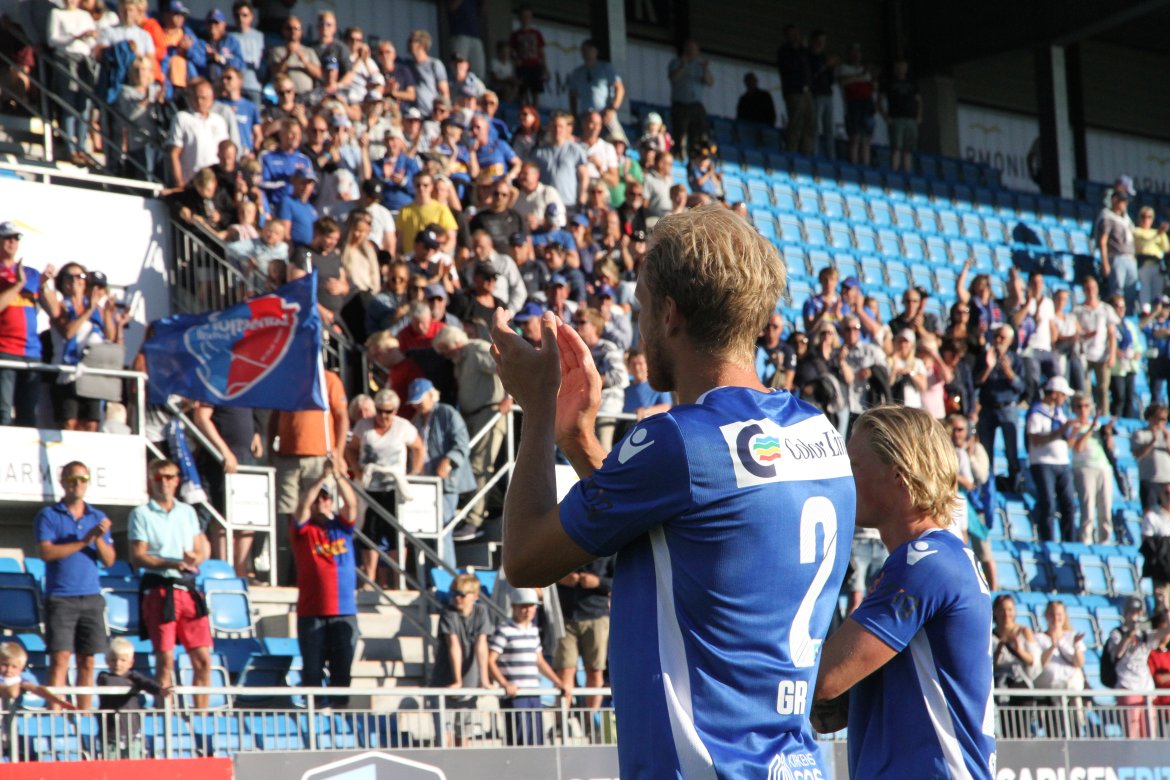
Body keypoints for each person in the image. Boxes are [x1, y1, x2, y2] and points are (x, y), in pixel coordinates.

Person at [493, 204, 854, 776]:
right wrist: (579, 438)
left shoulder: (679, 441)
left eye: (641, 308)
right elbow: (683, 526)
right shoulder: (819, 433)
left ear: (669, 314)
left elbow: (524, 558)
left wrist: (536, 409)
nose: (639, 328)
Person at [812, 406, 995, 779]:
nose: (843, 478)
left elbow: (823, 681)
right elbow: (831, 710)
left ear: (898, 474)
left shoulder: (922, 563)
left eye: (854, 466)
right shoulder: (939, 557)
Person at [129, 458, 214, 710]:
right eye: (159, 477)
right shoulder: (141, 514)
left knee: (203, 660)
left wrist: (193, 558)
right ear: (151, 481)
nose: (164, 482)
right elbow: (138, 556)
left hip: (187, 588)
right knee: (165, 660)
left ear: (177, 480)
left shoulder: (187, 512)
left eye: (169, 477)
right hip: (160, 589)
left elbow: (199, 550)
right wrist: (171, 562)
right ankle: (163, 717)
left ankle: (201, 719)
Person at [34, 460, 114, 712]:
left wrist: (97, 539)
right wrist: (83, 541)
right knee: (60, 659)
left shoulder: (97, 517)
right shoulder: (49, 515)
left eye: (83, 479)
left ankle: (84, 717)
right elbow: (46, 552)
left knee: (87, 661)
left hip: (91, 596)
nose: (78, 484)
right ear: (63, 482)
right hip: (61, 597)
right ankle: (54, 718)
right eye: (72, 479)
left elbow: (109, 560)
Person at [291, 463, 358, 707]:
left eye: (326, 498)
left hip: (344, 610)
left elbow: (352, 504)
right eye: (318, 498)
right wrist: (321, 478)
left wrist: (338, 476)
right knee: (312, 669)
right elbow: (301, 507)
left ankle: (339, 715)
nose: (322, 501)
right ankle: (315, 714)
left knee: (343, 670)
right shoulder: (304, 530)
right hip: (313, 612)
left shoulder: (342, 527)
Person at [344, 388, 424, 586]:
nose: (383, 416)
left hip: (393, 488)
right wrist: (357, 470)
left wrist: (413, 473)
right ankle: (369, 580)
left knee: (395, 533)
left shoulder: (403, 427)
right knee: (369, 530)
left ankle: (398, 581)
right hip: (369, 487)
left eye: (388, 411)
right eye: (379, 410)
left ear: (395, 411)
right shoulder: (364, 426)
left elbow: (418, 448)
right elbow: (351, 449)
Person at [487, 587, 564, 746]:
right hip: (515, 695)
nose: (527, 610)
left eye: (531, 606)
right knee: (519, 742)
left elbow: (539, 661)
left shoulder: (534, 631)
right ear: (513, 607)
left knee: (537, 741)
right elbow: (490, 660)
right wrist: (505, 684)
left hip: (533, 693)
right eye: (523, 606)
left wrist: (558, 681)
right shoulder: (504, 630)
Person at [429, 572, 492, 747]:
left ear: (475, 596)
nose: (457, 598)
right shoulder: (448, 613)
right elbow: (454, 646)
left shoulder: (481, 612)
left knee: (464, 740)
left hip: (469, 687)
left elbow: (481, 645)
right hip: (444, 684)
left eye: (462, 594)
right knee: (446, 741)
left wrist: (484, 680)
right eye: (454, 593)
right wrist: (457, 681)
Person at [1105, 595, 1170, 738]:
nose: (1135, 615)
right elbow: (1118, 654)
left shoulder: (1145, 634)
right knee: (1132, 733)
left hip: (1146, 687)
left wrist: (1166, 608)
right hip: (1128, 685)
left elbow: (1167, 631)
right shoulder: (1117, 633)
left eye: (1138, 611)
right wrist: (1129, 635)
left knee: (1150, 732)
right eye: (1131, 611)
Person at [97, 636, 170, 758]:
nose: (118, 664)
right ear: (107, 661)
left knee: (134, 764)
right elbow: (109, 683)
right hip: (110, 734)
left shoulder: (134, 677)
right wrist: (132, 684)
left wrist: (159, 689)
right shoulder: (103, 676)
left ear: (131, 662)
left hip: (133, 733)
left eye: (123, 660)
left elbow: (147, 683)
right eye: (113, 660)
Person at [1026, 376, 1078, 542]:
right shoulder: (1037, 412)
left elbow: (1068, 442)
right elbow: (1035, 439)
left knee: (1069, 504)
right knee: (1048, 503)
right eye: (1063, 395)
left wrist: (1074, 431)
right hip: (1043, 463)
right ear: (1054, 393)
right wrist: (1060, 431)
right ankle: (1047, 540)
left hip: (1062, 463)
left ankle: (1069, 541)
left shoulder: (1060, 413)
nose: (1065, 399)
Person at [1068, 394, 1115, 544]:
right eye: (1079, 406)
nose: (1083, 410)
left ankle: (1105, 541)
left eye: (1086, 406)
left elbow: (1110, 448)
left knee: (1105, 507)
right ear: (1074, 409)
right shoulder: (1073, 427)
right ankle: (1086, 540)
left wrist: (1108, 433)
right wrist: (1089, 429)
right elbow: (1078, 448)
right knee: (1087, 508)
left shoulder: (1099, 426)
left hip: (1103, 467)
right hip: (1084, 467)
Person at [1034, 599, 1086, 736]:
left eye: (1059, 614)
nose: (1055, 618)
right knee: (1053, 733)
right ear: (1046, 616)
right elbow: (1040, 663)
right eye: (1052, 614)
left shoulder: (1072, 636)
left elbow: (1079, 663)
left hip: (1070, 694)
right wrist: (1052, 646)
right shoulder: (1038, 638)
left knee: (1074, 732)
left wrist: (1075, 646)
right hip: (1049, 694)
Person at [167, 78, 230, 189]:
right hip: (191, 182)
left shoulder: (219, 121)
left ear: (211, 99)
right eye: (196, 98)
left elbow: (225, 151)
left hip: (215, 182)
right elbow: (174, 153)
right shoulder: (182, 118)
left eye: (203, 98)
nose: (199, 102)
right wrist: (179, 183)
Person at [567, 39, 625, 141]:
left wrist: (613, 109)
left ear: (596, 51)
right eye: (584, 50)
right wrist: (574, 114)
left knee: (617, 138)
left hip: (604, 112)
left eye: (589, 49)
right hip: (585, 114)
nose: (586, 52)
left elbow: (620, 88)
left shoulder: (606, 68)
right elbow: (572, 94)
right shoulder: (577, 72)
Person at [666, 39, 713, 160]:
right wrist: (683, 65)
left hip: (696, 104)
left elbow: (710, 82)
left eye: (694, 49)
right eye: (689, 48)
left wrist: (705, 69)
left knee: (698, 132)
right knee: (680, 131)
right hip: (681, 104)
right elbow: (673, 77)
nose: (692, 51)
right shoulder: (676, 62)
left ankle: (695, 157)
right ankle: (679, 156)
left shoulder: (699, 66)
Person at [1095, 189, 1137, 311]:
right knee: (1117, 291)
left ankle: (1128, 314)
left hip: (1130, 257)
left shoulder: (1126, 219)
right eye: (1123, 201)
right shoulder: (1108, 216)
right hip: (1117, 257)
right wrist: (1105, 262)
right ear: (1114, 200)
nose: (1125, 204)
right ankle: (1115, 314)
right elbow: (1103, 241)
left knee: (1131, 290)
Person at [836, 43, 876, 166]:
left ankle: (866, 167)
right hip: (853, 106)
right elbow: (843, 81)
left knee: (866, 139)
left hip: (867, 106)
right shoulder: (844, 68)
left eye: (858, 52)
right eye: (853, 52)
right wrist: (860, 76)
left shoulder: (865, 70)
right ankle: (854, 166)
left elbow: (871, 86)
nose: (856, 55)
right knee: (855, 138)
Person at [880, 59, 921, 173]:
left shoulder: (912, 83)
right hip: (896, 119)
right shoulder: (889, 83)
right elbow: (879, 101)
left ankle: (907, 174)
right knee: (896, 148)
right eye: (899, 67)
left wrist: (919, 116)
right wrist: (885, 117)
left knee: (908, 149)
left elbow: (919, 101)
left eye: (903, 67)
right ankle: (894, 172)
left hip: (911, 119)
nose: (901, 69)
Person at [267, 15, 321, 98]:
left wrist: (304, 61)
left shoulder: (309, 51)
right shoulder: (277, 51)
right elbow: (275, 72)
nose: (293, 31)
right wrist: (287, 56)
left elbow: (318, 73)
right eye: (289, 28)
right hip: (285, 96)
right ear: (283, 31)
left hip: (306, 95)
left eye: (296, 28)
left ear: (301, 31)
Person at [1141, 483, 1170, 613]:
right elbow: (1147, 544)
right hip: (1161, 572)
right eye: (1167, 493)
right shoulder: (1152, 516)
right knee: (1162, 609)